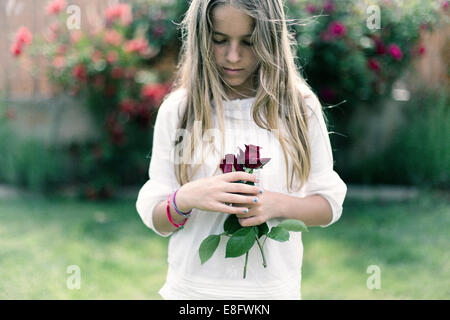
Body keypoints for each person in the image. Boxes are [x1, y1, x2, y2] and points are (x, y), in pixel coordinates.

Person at [136, 0, 347, 300]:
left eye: (249, 42)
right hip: (194, 293)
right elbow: (156, 216)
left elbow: (328, 206)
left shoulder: (298, 109)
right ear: (201, 37)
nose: (233, 56)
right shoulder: (181, 111)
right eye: (219, 40)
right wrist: (188, 197)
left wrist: (274, 205)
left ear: (269, 40)